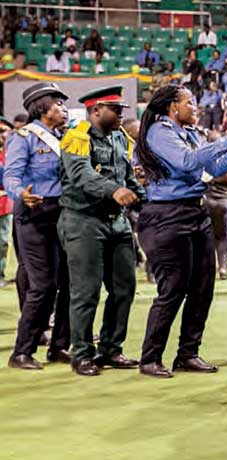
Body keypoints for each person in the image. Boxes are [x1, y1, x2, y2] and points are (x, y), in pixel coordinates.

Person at [134, 85, 227, 378]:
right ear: (172, 106)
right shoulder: (160, 132)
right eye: (189, 102)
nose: (195, 107)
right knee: (173, 288)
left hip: (195, 211)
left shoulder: (191, 133)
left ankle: (188, 353)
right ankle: (150, 357)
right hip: (166, 215)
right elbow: (186, 162)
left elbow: (206, 170)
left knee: (202, 287)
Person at [57, 86, 144, 376]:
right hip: (83, 220)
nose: (121, 115)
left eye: (121, 110)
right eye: (115, 110)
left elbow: (128, 177)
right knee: (86, 291)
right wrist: (113, 190)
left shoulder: (120, 138)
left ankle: (110, 349)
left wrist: (142, 196)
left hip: (116, 221)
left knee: (124, 288)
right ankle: (81, 354)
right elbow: (81, 175)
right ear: (96, 110)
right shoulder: (76, 137)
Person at [3, 83, 72, 370]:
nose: (64, 109)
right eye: (59, 104)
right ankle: (22, 351)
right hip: (34, 213)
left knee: (69, 283)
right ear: (42, 108)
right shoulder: (24, 138)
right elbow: (11, 176)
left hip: (63, 214)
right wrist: (21, 193)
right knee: (42, 285)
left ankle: (59, 346)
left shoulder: (65, 137)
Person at [0, 117, 16, 288]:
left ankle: (1, 273)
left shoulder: (13, 151)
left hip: (4, 205)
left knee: (3, 241)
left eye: (3, 131)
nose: (1, 135)